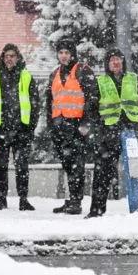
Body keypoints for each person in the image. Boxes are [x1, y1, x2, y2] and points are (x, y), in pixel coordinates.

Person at [88, 49, 138, 217]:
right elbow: (91, 109)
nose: (115, 62)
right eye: (112, 60)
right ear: (107, 64)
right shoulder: (100, 82)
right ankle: (96, 210)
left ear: (123, 62)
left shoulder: (134, 79)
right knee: (102, 171)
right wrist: (100, 129)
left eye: (118, 59)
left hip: (132, 130)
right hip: (109, 131)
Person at [0, 44, 40, 211]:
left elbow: (35, 103)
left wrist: (30, 126)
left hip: (21, 128)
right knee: (1, 166)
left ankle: (23, 199)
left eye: (12, 56)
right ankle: (1, 198)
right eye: (6, 56)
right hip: (0, 129)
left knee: (22, 165)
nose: (9, 59)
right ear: (2, 58)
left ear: (18, 58)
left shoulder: (26, 77)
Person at [45, 40, 97, 214]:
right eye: (61, 52)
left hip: (76, 125)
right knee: (67, 163)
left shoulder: (82, 70)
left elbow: (92, 98)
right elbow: (49, 101)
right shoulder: (54, 74)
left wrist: (85, 122)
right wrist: (50, 125)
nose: (64, 55)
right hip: (59, 125)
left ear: (72, 54)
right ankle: (72, 198)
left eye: (67, 52)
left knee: (76, 163)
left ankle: (76, 201)